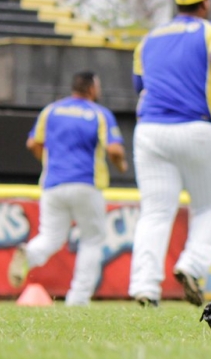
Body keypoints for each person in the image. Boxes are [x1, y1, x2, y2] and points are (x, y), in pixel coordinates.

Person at [128, 0, 211, 307]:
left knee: (155, 211)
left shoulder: (150, 38)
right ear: (205, 3)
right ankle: (191, 265)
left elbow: (139, 85)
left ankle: (144, 286)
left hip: (150, 130)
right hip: (196, 127)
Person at [8, 71, 128, 306]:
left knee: (50, 237)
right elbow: (114, 149)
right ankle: (78, 299)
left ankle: (29, 253)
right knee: (92, 239)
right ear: (91, 89)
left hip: (53, 184)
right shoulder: (99, 113)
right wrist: (121, 164)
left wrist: (48, 161)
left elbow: (33, 143)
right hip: (86, 184)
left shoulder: (51, 110)